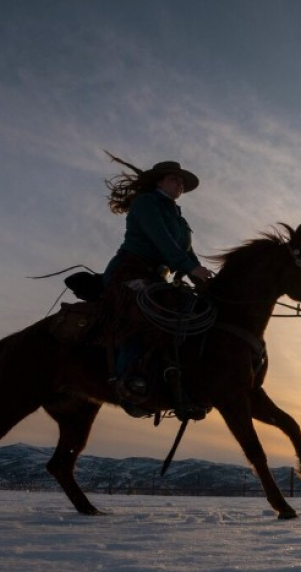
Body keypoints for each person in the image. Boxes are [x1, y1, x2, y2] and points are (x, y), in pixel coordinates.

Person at [101, 153, 214, 409]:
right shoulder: (146, 203)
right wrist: (190, 267)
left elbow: (184, 250)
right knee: (142, 316)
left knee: (190, 315)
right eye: (175, 179)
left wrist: (199, 274)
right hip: (128, 272)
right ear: (159, 182)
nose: (180, 185)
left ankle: (177, 380)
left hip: (157, 277)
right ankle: (128, 381)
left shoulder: (179, 217)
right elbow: (162, 240)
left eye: (182, 182)